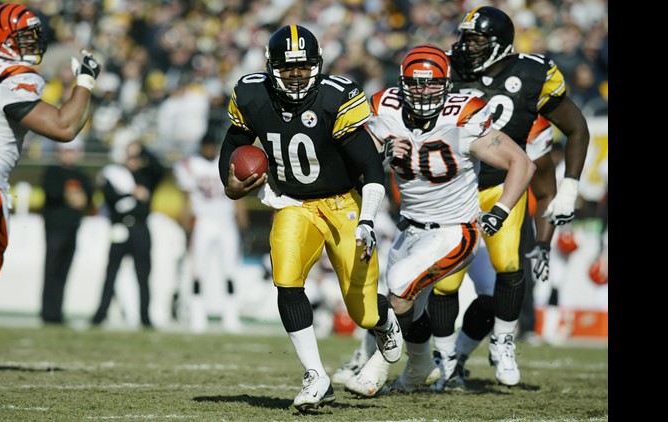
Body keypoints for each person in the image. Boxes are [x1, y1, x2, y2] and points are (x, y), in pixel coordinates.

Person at [218, 25, 402, 412]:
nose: (297, 75)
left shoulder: (336, 97)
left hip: (343, 203)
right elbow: (233, 145)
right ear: (271, 68)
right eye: (288, 68)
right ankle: (316, 375)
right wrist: (231, 185)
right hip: (294, 203)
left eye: (304, 67)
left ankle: (385, 323)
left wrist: (367, 219)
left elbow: (371, 166)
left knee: (363, 311)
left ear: (317, 65)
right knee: (286, 277)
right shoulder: (253, 94)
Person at [343, 44, 534, 396]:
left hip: (453, 230)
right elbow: (356, 162)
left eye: (432, 84)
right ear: (403, 83)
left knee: (400, 288)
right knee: (410, 308)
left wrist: (502, 209)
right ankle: (419, 369)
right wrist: (380, 156)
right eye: (415, 83)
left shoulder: (463, 117)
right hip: (408, 227)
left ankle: (376, 369)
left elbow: (522, 162)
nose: (423, 91)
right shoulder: (386, 110)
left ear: (447, 84)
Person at [425, 5, 590, 389]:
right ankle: (444, 357)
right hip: (452, 188)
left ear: (500, 44)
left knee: (509, 264)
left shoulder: (533, 74)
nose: (467, 48)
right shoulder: (447, 68)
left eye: (477, 40)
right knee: (446, 283)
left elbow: (577, 129)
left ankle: (503, 341)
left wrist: (571, 187)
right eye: (465, 38)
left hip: (503, 185)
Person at [0, 2, 99, 374]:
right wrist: (86, 82)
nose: (31, 44)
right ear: (0, 38)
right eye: (23, 37)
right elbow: (64, 127)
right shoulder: (14, 78)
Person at [174, 135, 248, 333]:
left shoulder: (226, 161)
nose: (208, 150)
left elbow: (238, 194)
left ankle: (231, 316)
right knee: (198, 271)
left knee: (230, 270)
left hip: (226, 221)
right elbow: (186, 199)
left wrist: (242, 221)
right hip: (203, 221)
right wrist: (186, 227)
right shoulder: (191, 165)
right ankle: (198, 316)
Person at [91, 141, 165, 328]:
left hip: (140, 228)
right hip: (119, 227)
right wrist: (132, 192)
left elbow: (160, 169)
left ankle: (145, 318)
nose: (133, 161)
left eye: (136, 157)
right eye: (130, 156)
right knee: (111, 273)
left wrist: (143, 147)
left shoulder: (146, 176)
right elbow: (109, 197)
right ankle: (100, 315)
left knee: (143, 275)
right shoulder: (115, 175)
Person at [40, 138, 94, 324]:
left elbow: (88, 200)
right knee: (52, 269)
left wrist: (75, 196)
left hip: (72, 228)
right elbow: (53, 193)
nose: (70, 154)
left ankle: (58, 312)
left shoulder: (83, 175)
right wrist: (72, 195)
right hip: (55, 228)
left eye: (73, 150)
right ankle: (48, 313)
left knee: (64, 271)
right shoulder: (53, 172)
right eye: (66, 150)